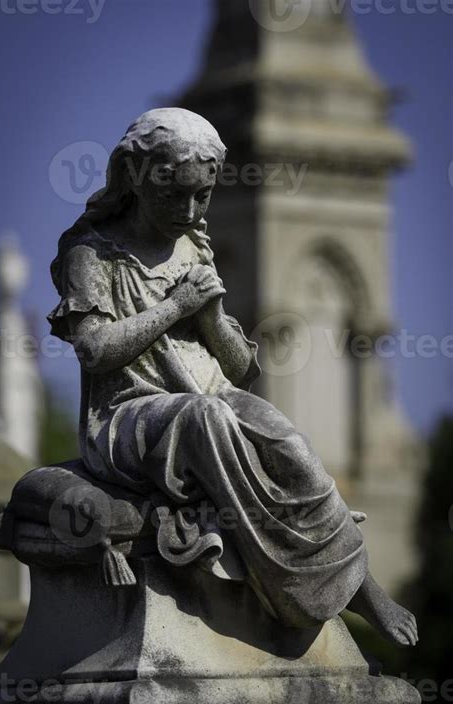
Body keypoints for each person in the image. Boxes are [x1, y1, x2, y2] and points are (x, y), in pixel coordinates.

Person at [48, 107, 417, 644]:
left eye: (203, 196)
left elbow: (242, 369)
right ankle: (295, 588)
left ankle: (357, 581)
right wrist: (175, 307)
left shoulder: (193, 243)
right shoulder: (92, 252)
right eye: (175, 194)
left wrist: (213, 317)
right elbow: (95, 350)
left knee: (282, 434)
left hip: (212, 398)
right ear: (132, 175)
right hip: (128, 418)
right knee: (203, 418)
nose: (191, 210)